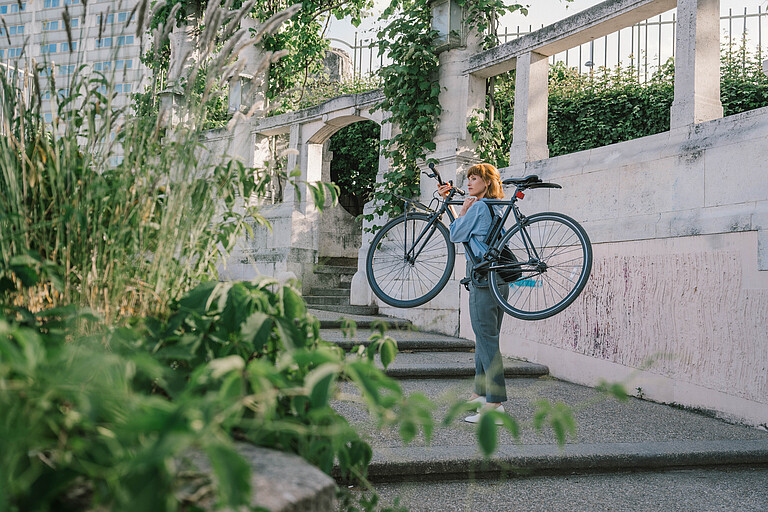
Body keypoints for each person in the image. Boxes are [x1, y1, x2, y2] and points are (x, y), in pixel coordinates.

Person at [437, 163, 509, 424]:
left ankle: (495, 405)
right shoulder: (493, 206)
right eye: (468, 178)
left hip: (483, 283)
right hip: (498, 282)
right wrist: (458, 207)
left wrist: (462, 208)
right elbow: (467, 232)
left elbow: (456, 233)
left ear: (487, 182)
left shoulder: (478, 207)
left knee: (487, 341)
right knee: (485, 337)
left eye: (475, 178)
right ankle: (480, 393)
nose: (469, 183)